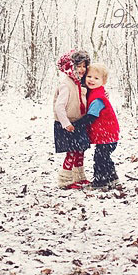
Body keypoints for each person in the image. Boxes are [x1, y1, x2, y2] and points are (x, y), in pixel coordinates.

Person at [53, 49, 91, 189]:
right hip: (68, 124)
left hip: (79, 123)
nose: (82, 69)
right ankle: (65, 180)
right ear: (70, 67)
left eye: (84, 66)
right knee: (71, 152)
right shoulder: (66, 85)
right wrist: (66, 124)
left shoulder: (80, 83)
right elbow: (59, 107)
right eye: (78, 66)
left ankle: (79, 177)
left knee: (80, 151)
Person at [84, 62, 120, 189]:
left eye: (96, 78)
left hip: (108, 134)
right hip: (108, 134)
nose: (91, 80)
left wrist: (78, 124)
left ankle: (100, 180)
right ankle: (112, 177)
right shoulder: (95, 92)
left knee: (100, 158)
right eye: (89, 76)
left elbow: (91, 116)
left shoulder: (98, 98)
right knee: (104, 157)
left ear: (103, 81)